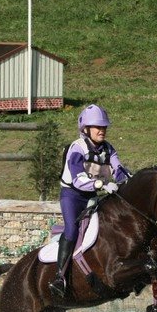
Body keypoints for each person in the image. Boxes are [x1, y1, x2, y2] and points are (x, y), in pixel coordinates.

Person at [49, 104, 131, 298]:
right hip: (73, 196)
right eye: (97, 127)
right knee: (72, 229)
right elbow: (78, 179)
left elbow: (118, 169)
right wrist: (102, 185)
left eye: (104, 127)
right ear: (85, 129)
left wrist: (129, 181)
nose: (102, 130)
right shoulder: (77, 149)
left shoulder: (108, 149)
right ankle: (59, 277)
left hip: (93, 196)